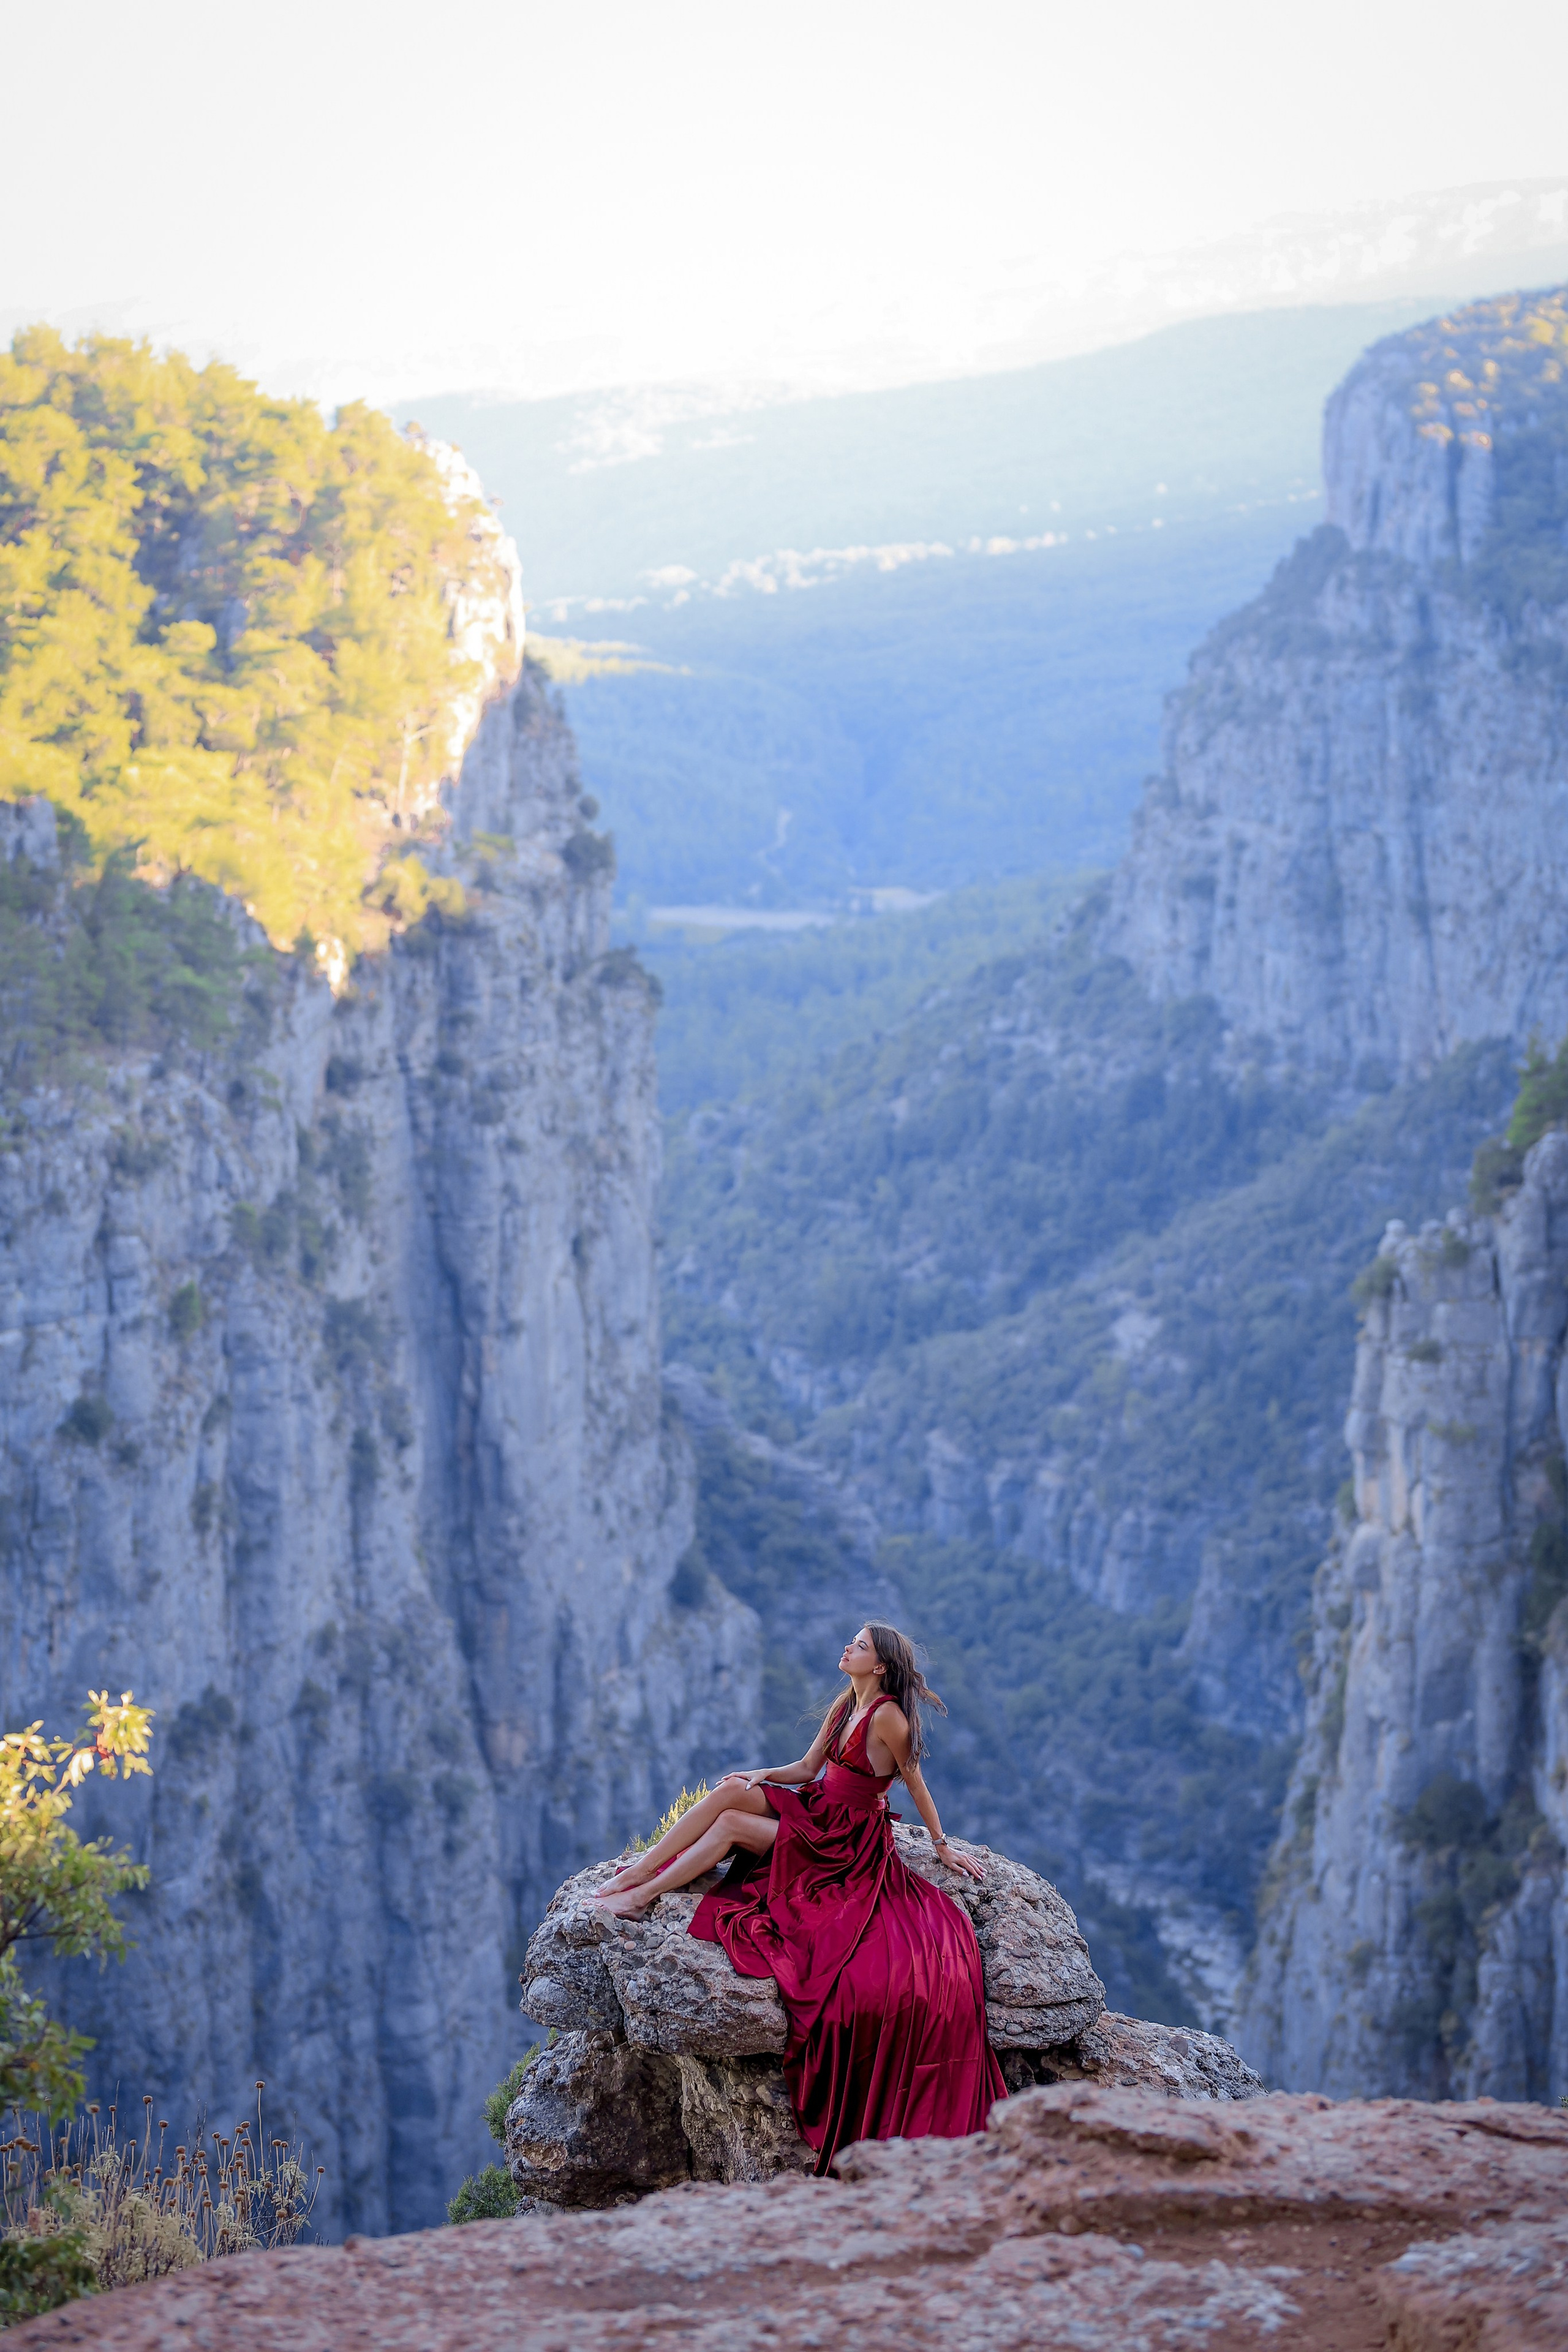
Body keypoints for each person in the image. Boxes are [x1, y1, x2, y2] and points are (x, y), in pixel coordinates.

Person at [593, 1621, 1006, 2172]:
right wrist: (761, 1773)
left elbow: (915, 1783)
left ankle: (641, 1895)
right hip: (817, 1808)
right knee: (733, 1792)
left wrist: (941, 1846)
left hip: (843, 1843)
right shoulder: (846, 1704)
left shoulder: (888, 1717)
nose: (848, 1648)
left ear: (880, 1665)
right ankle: (638, 1873)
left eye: (859, 1646)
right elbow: (810, 1769)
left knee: (731, 1828)